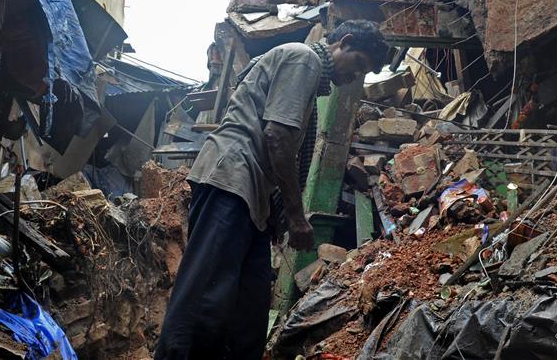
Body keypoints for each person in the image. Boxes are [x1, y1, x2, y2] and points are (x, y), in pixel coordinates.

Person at [154, 20, 388, 360]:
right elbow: (277, 137)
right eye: (358, 66)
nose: (354, 78)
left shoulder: (310, 73)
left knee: (247, 309)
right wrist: (295, 216)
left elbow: (282, 146)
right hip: (231, 180)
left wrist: (277, 214)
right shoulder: (304, 59)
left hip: (253, 196)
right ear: (345, 43)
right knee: (203, 298)